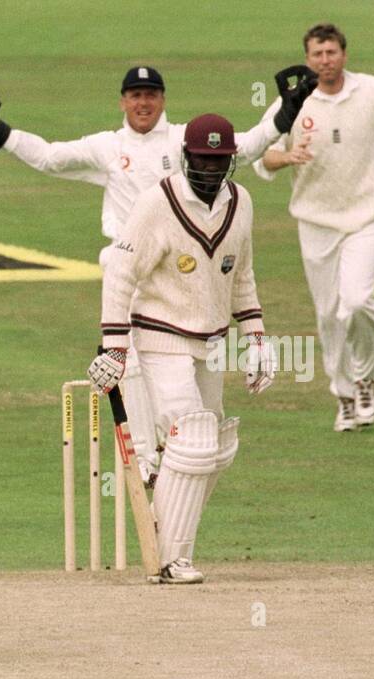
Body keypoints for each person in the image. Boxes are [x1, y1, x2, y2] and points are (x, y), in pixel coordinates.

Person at [0, 64, 313, 481]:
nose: (143, 103)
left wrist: (282, 118)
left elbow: (245, 148)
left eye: (151, 95)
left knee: (187, 378)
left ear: (163, 100)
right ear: (123, 101)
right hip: (129, 268)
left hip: (181, 274)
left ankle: (170, 448)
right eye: (135, 95)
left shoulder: (184, 140)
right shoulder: (107, 147)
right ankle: (145, 460)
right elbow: (51, 158)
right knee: (133, 362)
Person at [87, 114, 275, 584]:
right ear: (187, 156)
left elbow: (241, 274)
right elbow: (121, 273)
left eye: (219, 161)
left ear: (231, 161)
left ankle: (166, 537)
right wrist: (114, 348)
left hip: (210, 343)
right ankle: (171, 560)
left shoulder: (242, 203)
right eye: (203, 160)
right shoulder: (158, 203)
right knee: (193, 437)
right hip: (158, 336)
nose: (210, 170)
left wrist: (256, 337)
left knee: (216, 447)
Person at [255, 23, 374, 432]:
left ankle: (365, 378)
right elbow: (260, 155)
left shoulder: (372, 90)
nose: (325, 61)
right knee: (329, 314)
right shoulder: (293, 101)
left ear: (344, 54)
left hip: (366, 213)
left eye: (332, 52)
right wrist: (288, 157)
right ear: (307, 59)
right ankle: (343, 396)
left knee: (356, 301)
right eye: (318, 54)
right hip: (315, 219)